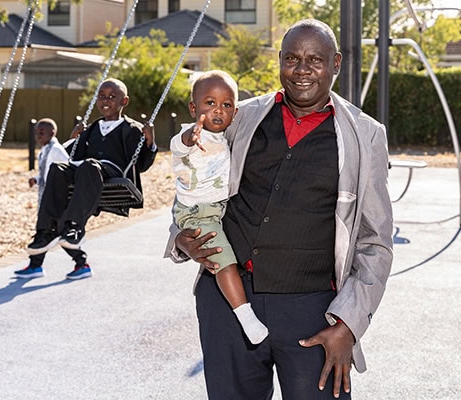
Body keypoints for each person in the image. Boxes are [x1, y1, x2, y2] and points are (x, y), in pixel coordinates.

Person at [165, 19, 393, 399]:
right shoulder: (242, 116)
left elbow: (376, 242)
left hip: (315, 312)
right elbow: (196, 175)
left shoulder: (365, 134)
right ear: (280, 62)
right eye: (292, 59)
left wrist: (349, 324)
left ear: (336, 63)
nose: (302, 71)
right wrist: (182, 238)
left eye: (315, 60)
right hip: (229, 302)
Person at [170, 70, 267, 345]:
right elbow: (178, 145)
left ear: (235, 113)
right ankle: (245, 316)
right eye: (209, 103)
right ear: (193, 108)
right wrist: (189, 136)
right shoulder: (191, 136)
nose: (217, 111)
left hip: (216, 208)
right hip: (198, 212)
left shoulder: (224, 138)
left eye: (226, 105)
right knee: (225, 263)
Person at [26, 78, 157, 280]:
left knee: (89, 165)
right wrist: (73, 137)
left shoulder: (131, 128)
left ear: (124, 101)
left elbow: (141, 165)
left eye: (112, 97)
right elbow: (72, 159)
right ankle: (46, 231)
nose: (106, 100)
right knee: (58, 169)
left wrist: (150, 142)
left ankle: (74, 227)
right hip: (88, 171)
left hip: (114, 172)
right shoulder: (91, 129)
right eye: (102, 96)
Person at [14, 118, 70, 279]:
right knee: (48, 232)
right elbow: (46, 175)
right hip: (45, 198)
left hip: (55, 199)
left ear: (52, 133)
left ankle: (81, 263)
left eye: (41, 133)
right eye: (36, 133)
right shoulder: (44, 151)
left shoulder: (57, 150)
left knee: (51, 232)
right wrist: (37, 180)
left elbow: (66, 171)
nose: (38, 136)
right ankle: (35, 265)